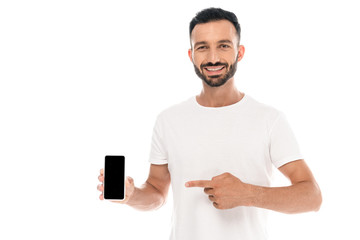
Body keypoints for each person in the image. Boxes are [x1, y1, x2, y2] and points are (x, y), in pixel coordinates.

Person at [97, 7, 322, 240]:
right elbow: (157, 193)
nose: (213, 58)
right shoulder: (168, 120)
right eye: (202, 47)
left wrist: (248, 194)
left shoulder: (269, 119)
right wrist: (131, 195)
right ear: (191, 55)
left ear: (240, 52)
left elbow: (312, 197)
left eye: (223, 46)